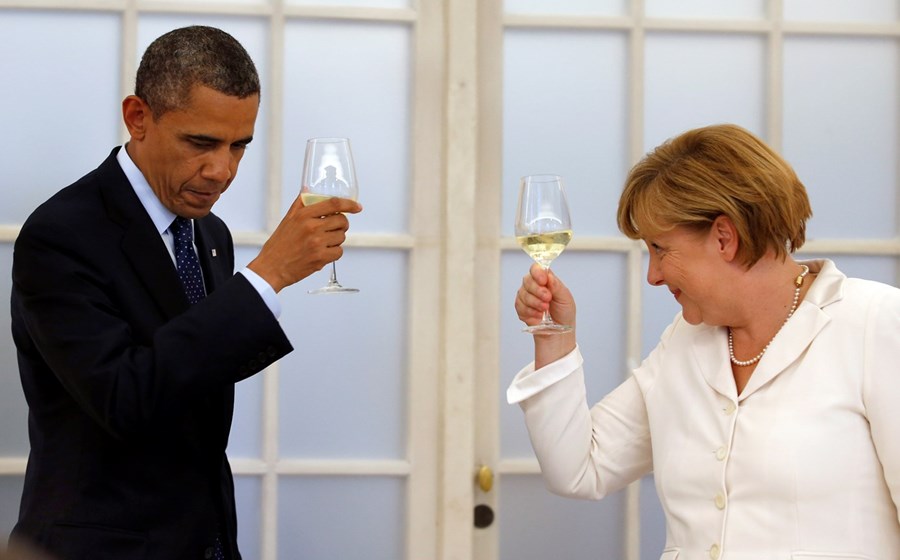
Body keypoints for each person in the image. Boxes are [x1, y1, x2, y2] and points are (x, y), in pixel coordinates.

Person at [9, 26, 361, 559]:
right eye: (200, 143)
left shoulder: (209, 234)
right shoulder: (60, 234)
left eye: (239, 145)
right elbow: (125, 400)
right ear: (137, 117)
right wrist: (267, 277)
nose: (222, 171)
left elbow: (193, 398)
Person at [508, 124, 900, 559]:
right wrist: (555, 337)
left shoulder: (876, 325)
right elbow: (579, 469)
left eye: (660, 249)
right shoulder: (684, 342)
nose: (652, 275)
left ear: (723, 237)